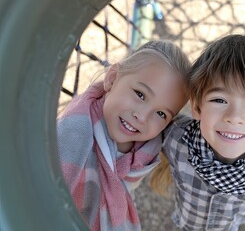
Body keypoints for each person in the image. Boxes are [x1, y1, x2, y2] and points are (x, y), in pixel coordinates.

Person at [150, 34, 245, 230]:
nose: (234, 116)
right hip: (187, 223)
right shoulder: (175, 138)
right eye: (220, 100)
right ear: (197, 107)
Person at [56, 40, 191, 231]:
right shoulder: (71, 135)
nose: (142, 116)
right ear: (112, 78)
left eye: (161, 113)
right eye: (140, 94)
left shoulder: (147, 148)